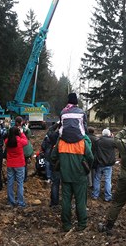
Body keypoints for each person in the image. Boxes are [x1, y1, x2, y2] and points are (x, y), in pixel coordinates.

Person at [51, 98, 94, 232]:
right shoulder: (82, 142)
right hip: (80, 176)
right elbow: (91, 158)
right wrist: (86, 167)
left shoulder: (61, 142)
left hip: (65, 175)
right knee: (81, 201)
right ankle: (82, 224)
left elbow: (52, 157)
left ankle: (66, 224)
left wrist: (60, 164)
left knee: (66, 201)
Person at [5, 126, 28, 207]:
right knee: (20, 183)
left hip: (10, 164)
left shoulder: (7, 141)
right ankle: (20, 202)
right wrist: (21, 133)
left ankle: (11, 201)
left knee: (10, 183)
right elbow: (26, 141)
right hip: (19, 164)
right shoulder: (20, 141)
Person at [92, 128, 115, 202]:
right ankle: (107, 196)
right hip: (108, 164)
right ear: (109, 134)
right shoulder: (112, 141)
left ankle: (95, 195)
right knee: (108, 180)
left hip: (99, 163)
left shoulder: (98, 141)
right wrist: (112, 137)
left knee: (97, 179)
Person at [42, 122, 61, 207]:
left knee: (55, 183)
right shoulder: (74, 136)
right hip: (68, 161)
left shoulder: (56, 136)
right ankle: (67, 202)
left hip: (56, 162)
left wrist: (57, 124)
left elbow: (49, 130)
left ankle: (54, 202)